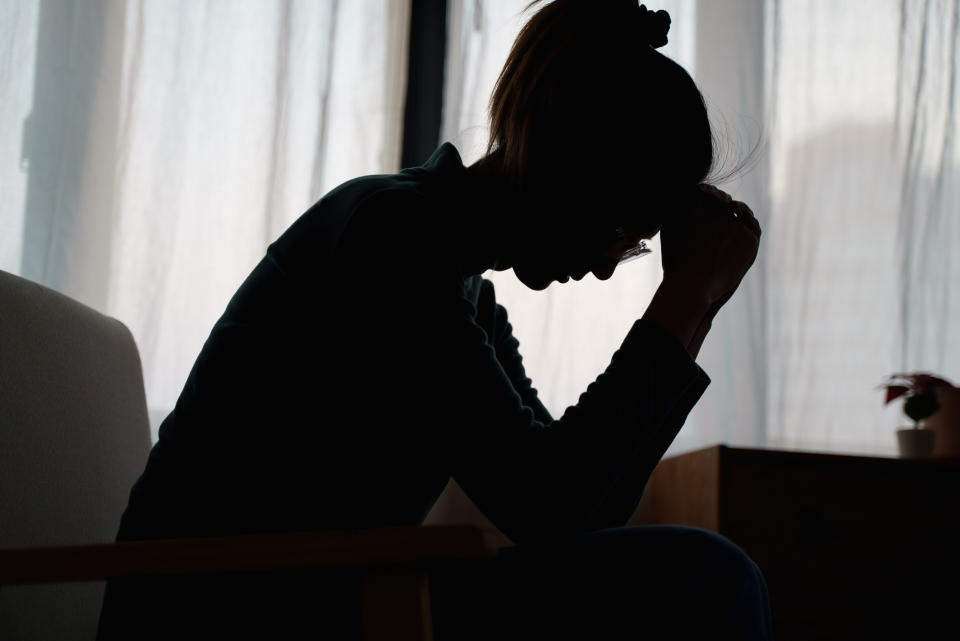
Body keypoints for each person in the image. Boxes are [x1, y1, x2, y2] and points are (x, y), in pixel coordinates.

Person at [97, 1, 770, 639]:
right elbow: (549, 505)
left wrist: (694, 306)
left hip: (307, 596)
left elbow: (575, 510)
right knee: (708, 581)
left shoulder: (460, 288)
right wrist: (684, 301)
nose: (605, 266)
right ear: (567, 164)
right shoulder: (393, 238)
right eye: (622, 228)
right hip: (227, 608)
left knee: (698, 579)